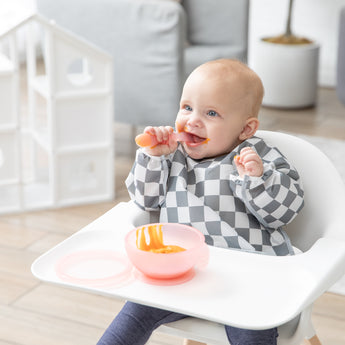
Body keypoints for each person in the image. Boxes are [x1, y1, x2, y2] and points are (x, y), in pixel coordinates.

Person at [97, 59, 304, 345]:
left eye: (211, 113)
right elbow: (145, 200)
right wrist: (154, 157)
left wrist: (258, 179)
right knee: (133, 314)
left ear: (245, 129)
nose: (192, 120)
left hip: (248, 281)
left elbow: (283, 213)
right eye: (187, 107)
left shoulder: (258, 157)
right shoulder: (172, 155)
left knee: (252, 330)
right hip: (181, 274)